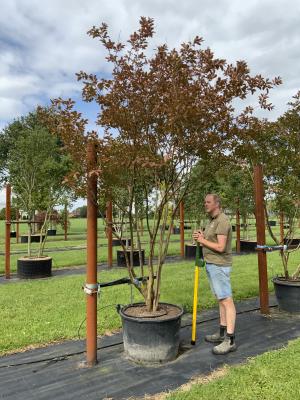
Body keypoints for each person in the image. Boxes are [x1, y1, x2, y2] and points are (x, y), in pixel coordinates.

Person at [192, 193, 236, 355]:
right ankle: (222, 333)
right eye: (205, 202)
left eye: (208, 202)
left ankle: (230, 340)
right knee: (221, 299)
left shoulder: (222, 221)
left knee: (226, 300)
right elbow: (211, 242)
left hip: (219, 265)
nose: (205, 204)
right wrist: (201, 237)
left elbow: (221, 247)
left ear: (216, 204)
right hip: (211, 264)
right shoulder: (212, 221)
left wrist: (202, 241)